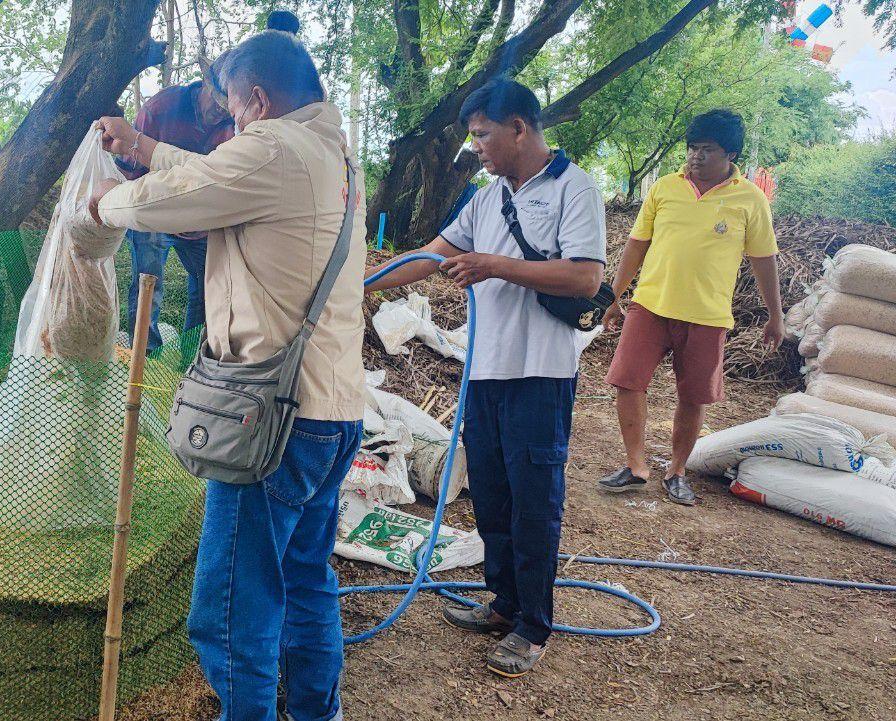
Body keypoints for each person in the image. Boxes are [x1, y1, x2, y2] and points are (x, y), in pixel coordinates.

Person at [89, 30, 366, 721]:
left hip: (274, 421)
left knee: (230, 606)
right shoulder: (333, 153)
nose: (232, 124)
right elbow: (220, 171)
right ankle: (316, 711)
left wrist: (97, 208)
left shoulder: (272, 148)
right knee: (304, 578)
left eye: (236, 111)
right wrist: (144, 148)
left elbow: (175, 197)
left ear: (261, 101)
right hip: (334, 411)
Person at [364, 78, 606, 678]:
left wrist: (495, 265)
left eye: (482, 135)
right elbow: (432, 253)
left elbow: (583, 278)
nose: (476, 147)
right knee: (492, 494)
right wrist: (362, 282)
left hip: (540, 373)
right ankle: (503, 604)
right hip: (487, 371)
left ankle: (532, 627)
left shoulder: (574, 189)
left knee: (534, 503)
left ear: (519, 127)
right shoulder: (488, 197)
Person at [597, 109, 783, 505]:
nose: (696, 156)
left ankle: (677, 471)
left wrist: (775, 315)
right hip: (649, 305)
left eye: (708, 150)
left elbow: (763, 259)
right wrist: (614, 296)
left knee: (693, 397)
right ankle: (635, 466)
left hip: (706, 315)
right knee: (627, 382)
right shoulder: (665, 188)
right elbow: (637, 245)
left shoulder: (750, 199)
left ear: (730, 154)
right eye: (692, 148)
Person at [117, 66, 233, 354]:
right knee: (148, 282)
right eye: (217, 102)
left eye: (227, 107)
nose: (220, 112)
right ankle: (145, 358)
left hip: (197, 219)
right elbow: (132, 166)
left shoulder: (233, 125)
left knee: (209, 285)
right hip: (154, 210)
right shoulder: (162, 106)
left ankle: (192, 357)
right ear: (205, 85)